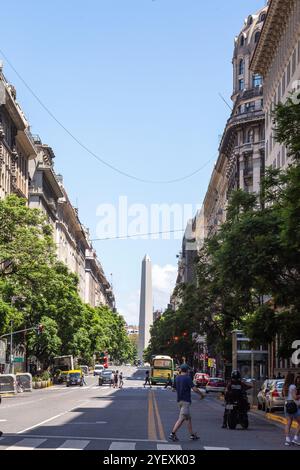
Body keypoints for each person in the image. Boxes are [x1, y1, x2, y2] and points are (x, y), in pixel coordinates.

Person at [169, 364, 204, 442]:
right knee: (182, 418)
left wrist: (180, 388)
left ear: (181, 370)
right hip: (185, 401)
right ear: (187, 370)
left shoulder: (177, 378)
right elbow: (194, 389)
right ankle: (172, 434)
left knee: (188, 418)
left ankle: (192, 435)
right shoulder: (187, 378)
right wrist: (201, 394)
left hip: (179, 401)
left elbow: (173, 389)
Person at [283, 372, 300, 447]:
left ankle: (287, 440)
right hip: (293, 406)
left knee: (288, 423)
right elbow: (295, 397)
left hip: (287, 406)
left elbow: (284, 396)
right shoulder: (292, 386)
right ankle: (295, 439)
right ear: (292, 378)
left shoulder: (285, 386)